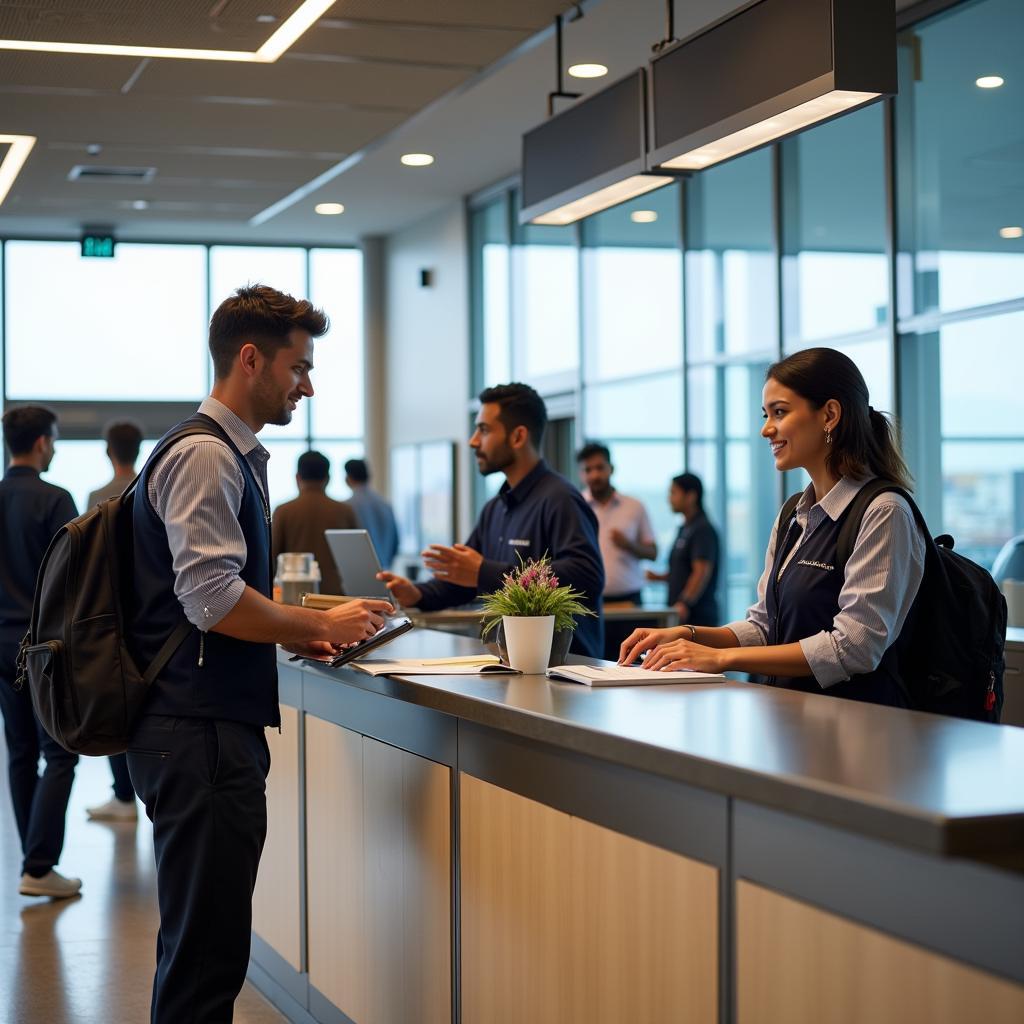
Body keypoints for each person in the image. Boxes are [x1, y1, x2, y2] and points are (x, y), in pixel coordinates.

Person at [127, 284, 393, 1024]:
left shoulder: (216, 453)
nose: (307, 384)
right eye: (298, 368)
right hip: (199, 733)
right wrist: (313, 626)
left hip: (195, 730)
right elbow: (211, 599)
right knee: (206, 957)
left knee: (200, 945)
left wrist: (311, 623)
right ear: (251, 360)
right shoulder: (209, 458)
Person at [621, 347, 926, 709]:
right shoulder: (792, 515)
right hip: (790, 720)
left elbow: (855, 646)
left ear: (829, 414)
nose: (766, 429)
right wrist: (687, 635)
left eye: (779, 413)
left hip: (858, 730)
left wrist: (721, 660)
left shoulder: (884, 511)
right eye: (765, 415)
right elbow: (765, 626)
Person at [379, 383, 605, 657]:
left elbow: (586, 575)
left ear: (518, 437)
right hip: (508, 663)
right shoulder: (495, 508)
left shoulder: (560, 499)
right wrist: (418, 593)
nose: (474, 441)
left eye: (484, 430)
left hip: (561, 669)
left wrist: (485, 571)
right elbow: (466, 579)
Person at [0, 406, 81, 898]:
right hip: (40, 649)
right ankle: (39, 863)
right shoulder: (55, 500)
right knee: (60, 753)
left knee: (20, 751)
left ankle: (34, 861)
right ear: (42, 443)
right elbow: (75, 577)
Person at [85, 420, 145, 824]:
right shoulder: (150, 487)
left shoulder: (94, 496)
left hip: (108, 616)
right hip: (151, 613)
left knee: (115, 702)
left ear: (110, 451)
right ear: (138, 450)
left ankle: (123, 795)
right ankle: (140, 791)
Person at [577, 441, 657, 660]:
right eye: (588, 470)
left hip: (629, 603)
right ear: (581, 474)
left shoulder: (634, 506)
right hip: (587, 604)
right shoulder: (576, 506)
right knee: (590, 665)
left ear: (611, 468)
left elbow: (653, 553)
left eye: (600, 468)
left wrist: (629, 545)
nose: (595, 475)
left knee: (631, 666)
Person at [272, 450, 358, 595]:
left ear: (297, 477)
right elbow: (355, 558)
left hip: (295, 596)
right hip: (337, 597)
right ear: (328, 478)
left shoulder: (283, 511)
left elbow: (272, 557)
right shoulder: (345, 511)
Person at [646, 473, 720, 626]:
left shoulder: (702, 529)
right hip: (680, 613)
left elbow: (701, 572)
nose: (669, 499)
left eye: (673, 493)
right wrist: (658, 578)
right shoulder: (685, 529)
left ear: (691, 496)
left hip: (697, 617)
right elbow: (681, 571)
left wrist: (684, 603)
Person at [344, 458, 399, 569]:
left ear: (348, 478)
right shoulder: (385, 504)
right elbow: (396, 542)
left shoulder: (347, 507)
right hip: (385, 570)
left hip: (359, 571)